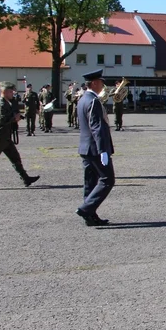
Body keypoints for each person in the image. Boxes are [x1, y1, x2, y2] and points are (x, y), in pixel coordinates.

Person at [75, 69, 115, 226]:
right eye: (101, 83)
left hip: (86, 148)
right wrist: (103, 150)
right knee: (107, 180)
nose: (103, 86)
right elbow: (96, 127)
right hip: (94, 149)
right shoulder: (93, 101)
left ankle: (90, 215)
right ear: (94, 83)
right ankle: (86, 208)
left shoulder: (83, 99)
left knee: (90, 182)